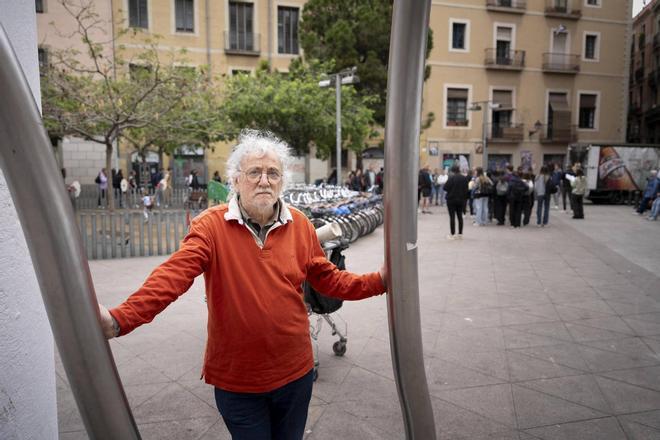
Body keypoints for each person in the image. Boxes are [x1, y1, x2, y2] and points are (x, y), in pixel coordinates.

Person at [97, 131, 387, 440]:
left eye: (273, 173)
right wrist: (120, 319)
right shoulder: (210, 225)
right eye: (254, 172)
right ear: (236, 181)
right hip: (238, 380)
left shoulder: (300, 224)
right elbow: (173, 276)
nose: (264, 180)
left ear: (282, 181)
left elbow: (329, 278)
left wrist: (380, 280)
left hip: (296, 373)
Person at [443, 164, 469, 239]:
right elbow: (466, 190)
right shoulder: (464, 178)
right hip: (461, 200)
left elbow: (445, 188)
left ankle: (452, 234)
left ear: (452, 171)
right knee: (460, 216)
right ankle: (460, 234)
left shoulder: (451, 178)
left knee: (452, 217)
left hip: (451, 199)